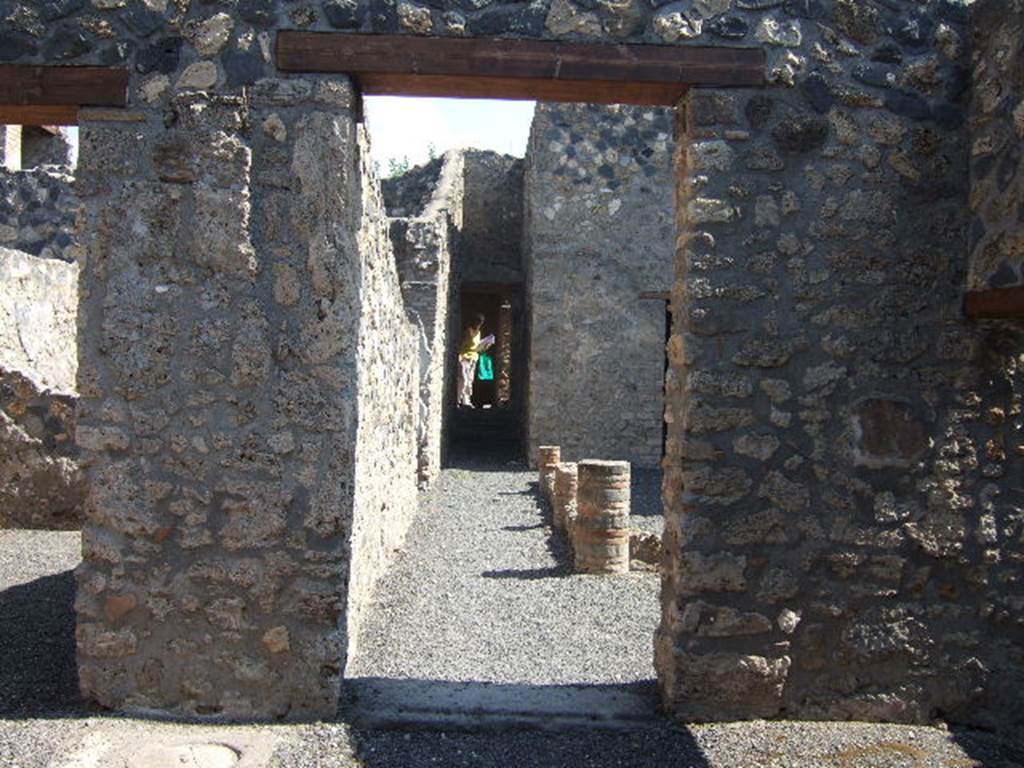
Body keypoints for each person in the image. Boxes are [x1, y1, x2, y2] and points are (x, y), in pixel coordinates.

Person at [458, 313, 486, 408]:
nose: (479, 325)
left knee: (470, 380)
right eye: (478, 322)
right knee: (463, 379)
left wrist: (485, 346)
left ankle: (466, 400)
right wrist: (459, 354)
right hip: (464, 357)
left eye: (481, 323)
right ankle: (458, 399)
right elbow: (462, 343)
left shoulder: (478, 333)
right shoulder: (467, 331)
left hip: (473, 358)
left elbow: (476, 347)